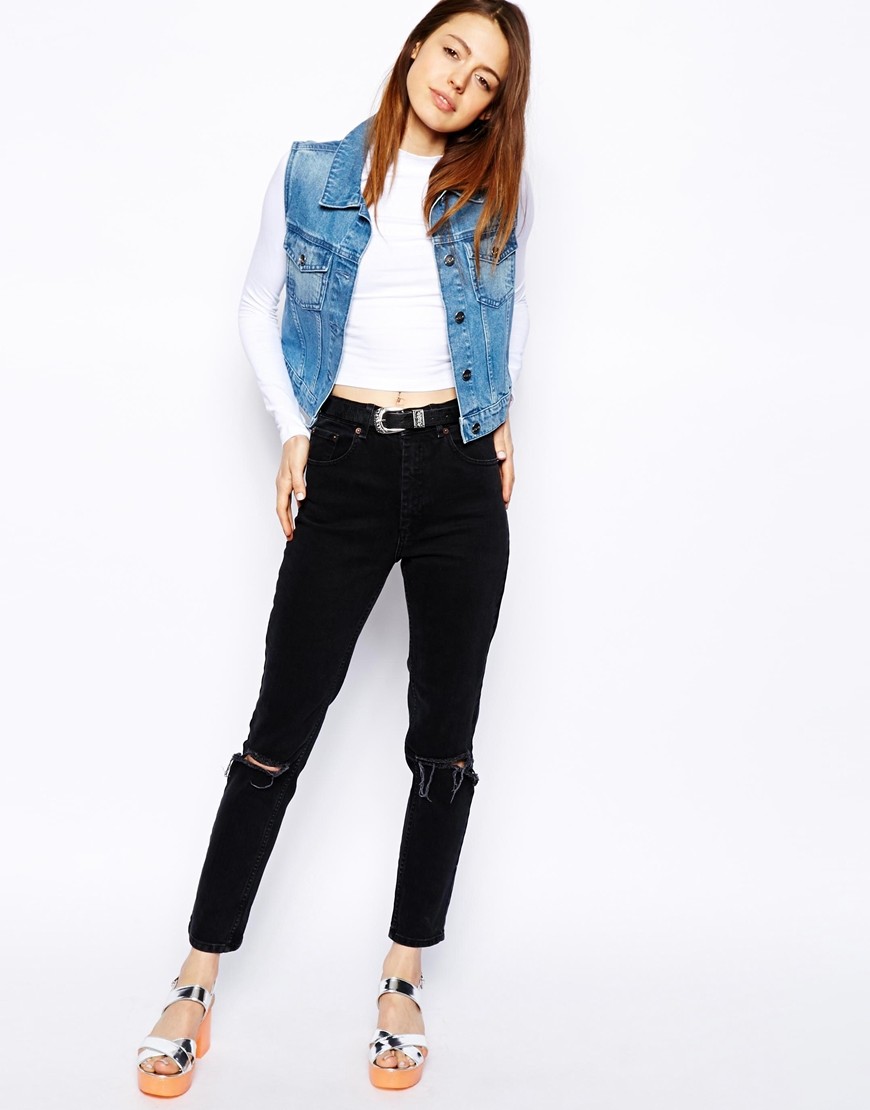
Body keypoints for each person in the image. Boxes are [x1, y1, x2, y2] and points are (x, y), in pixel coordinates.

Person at [136, 0, 532, 1095]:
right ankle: (196, 979)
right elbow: (255, 306)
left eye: (487, 79)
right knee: (279, 731)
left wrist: (505, 416)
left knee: (444, 742)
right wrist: (293, 431)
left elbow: (512, 308)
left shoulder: (496, 187)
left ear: (493, 105)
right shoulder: (313, 170)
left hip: (460, 473)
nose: (460, 81)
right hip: (347, 459)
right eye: (453, 52)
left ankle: (402, 978)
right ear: (415, 48)